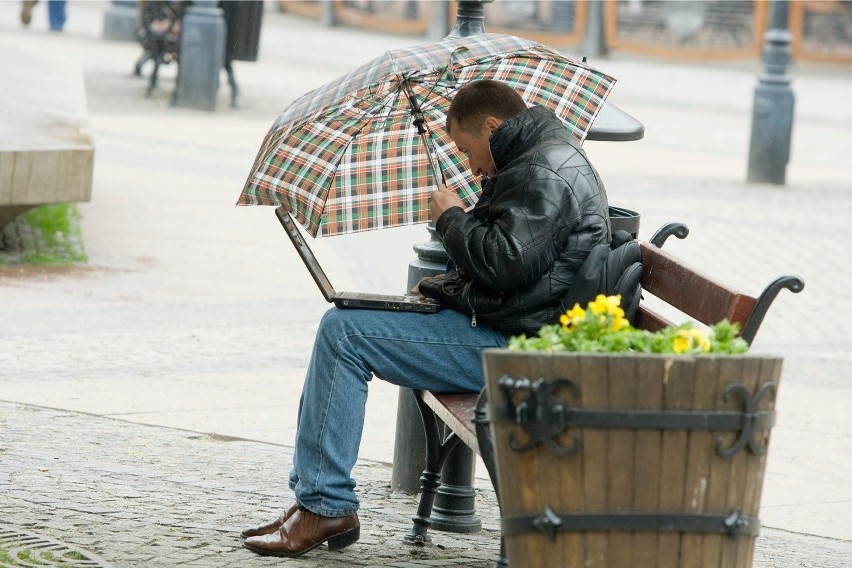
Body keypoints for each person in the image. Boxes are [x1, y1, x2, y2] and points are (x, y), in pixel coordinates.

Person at [241, 79, 612, 558]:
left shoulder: (541, 172)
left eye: (467, 149)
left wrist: (453, 218)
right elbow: (523, 272)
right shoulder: (539, 160)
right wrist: (441, 285)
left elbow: (503, 265)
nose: (470, 163)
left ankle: (323, 504)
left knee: (343, 333)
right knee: (349, 321)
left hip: (519, 351)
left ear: (493, 127)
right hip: (522, 332)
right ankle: (316, 498)